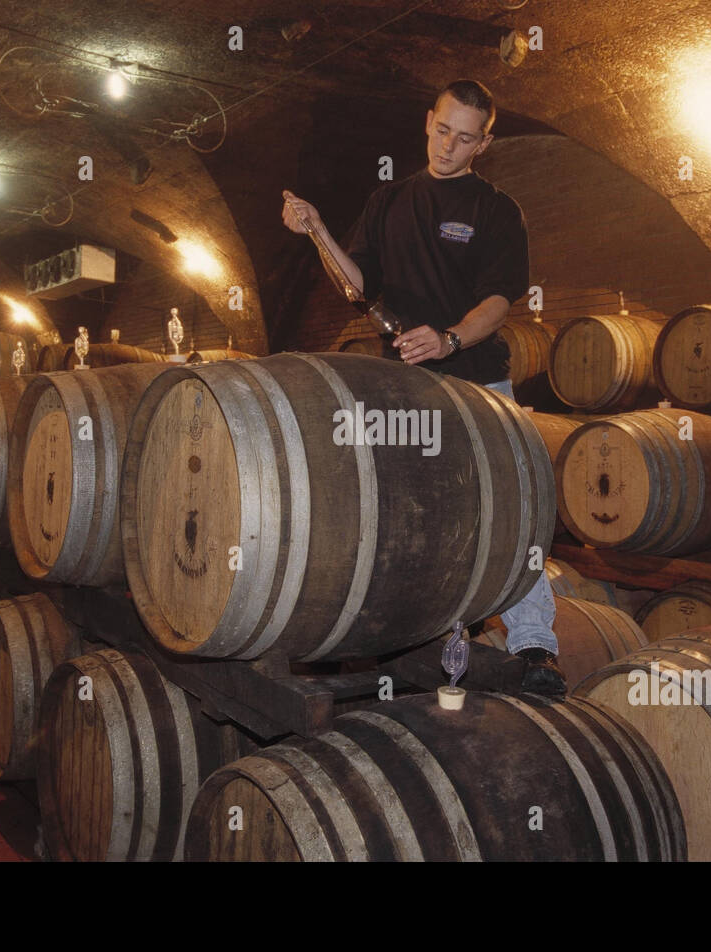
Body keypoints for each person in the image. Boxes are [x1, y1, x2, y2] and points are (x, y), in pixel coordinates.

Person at [280, 78, 564, 695]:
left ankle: (537, 645)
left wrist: (451, 339)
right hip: (405, 387)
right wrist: (318, 231)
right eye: (443, 131)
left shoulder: (495, 209)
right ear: (427, 121)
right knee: (408, 510)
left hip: (479, 376)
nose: (449, 147)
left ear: (483, 143)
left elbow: (498, 300)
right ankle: (408, 631)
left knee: (511, 508)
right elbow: (356, 286)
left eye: (466, 139)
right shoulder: (389, 200)